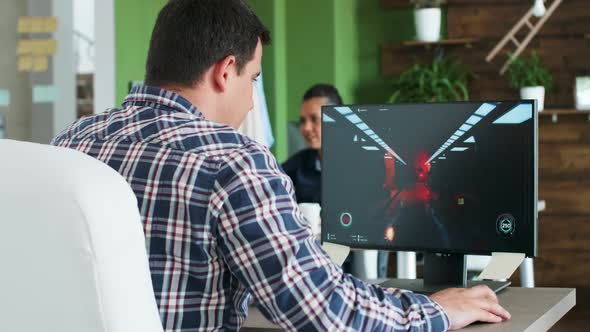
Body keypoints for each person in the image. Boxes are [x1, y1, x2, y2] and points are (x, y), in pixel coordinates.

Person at [51, 0, 510, 330]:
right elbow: (322, 310)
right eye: (253, 79)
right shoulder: (233, 161)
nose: (252, 100)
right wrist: (438, 310)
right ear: (224, 71)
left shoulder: (72, 141)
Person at [282, 84, 341, 204]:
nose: (306, 128)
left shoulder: (360, 164)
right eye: (303, 121)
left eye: (315, 119)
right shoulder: (297, 164)